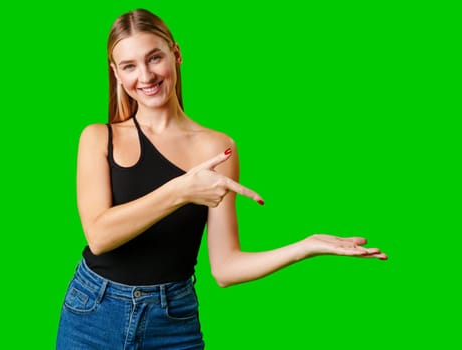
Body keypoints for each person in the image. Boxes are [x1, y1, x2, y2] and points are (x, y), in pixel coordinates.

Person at [56, 8, 387, 350]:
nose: (145, 75)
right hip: (93, 312)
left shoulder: (218, 148)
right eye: (129, 66)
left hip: (173, 321)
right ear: (116, 73)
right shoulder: (98, 138)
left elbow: (225, 268)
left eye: (154, 58)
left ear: (177, 54)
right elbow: (99, 236)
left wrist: (304, 247)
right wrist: (181, 190)